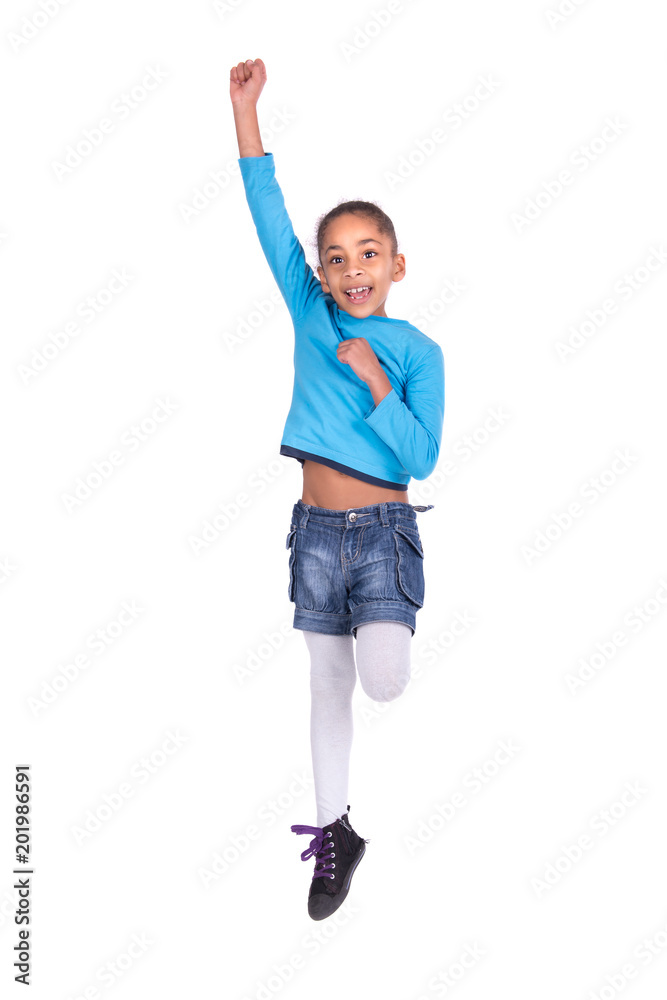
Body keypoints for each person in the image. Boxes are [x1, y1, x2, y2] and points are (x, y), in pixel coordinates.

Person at [230, 57, 445, 920]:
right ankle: (334, 833)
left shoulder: (416, 351)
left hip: (383, 530)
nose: (352, 269)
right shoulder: (310, 311)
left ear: (396, 264)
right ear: (318, 274)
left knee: (381, 681)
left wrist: (376, 382)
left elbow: (421, 455)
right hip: (314, 533)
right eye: (335, 258)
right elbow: (266, 210)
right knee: (325, 683)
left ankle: (378, 632)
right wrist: (246, 113)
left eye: (368, 254)